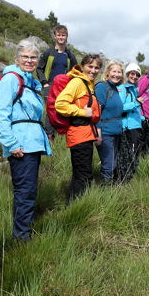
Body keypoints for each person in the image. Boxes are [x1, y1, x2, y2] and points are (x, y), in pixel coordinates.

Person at [0, 39, 51, 241]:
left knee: (28, 190)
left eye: (33, 57)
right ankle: (21, 238)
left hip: (32, 143)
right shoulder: (11, 79)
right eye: (25, 56)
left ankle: (23, 231)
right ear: (16, 58)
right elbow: (0, 113)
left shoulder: (31, 82)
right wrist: (11, 144)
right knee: (25, 191)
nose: (29, 60)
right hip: (20, 144)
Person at [54, 54, 102, 203]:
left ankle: (73, 204)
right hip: (79, 135)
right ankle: (76, 207)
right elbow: (60, 104)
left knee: (81, 174)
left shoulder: (89, 84)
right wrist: (82, 112)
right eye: (90, 66)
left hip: (86, 135)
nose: (93, 70)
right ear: (82, 67)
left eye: (97, 67)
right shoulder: (78, 82)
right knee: (84, 176)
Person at [37, 24, 78, 138]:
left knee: (64, 108)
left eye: (63, 35)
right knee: (51, 109)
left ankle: (63, 134)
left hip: (65, 86)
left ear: (67, 36)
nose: (61, 37)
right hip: (49, 85)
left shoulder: (70, 54)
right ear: (55, 36)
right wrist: (44, 82)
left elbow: (75, 70)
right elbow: (39, 68)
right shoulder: (48, 53)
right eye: (59, 35)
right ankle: (49, 135)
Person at [94, 60, 124, 182]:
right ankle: (104, 193)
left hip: (116, 133)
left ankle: (106, 190)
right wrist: (98, 132)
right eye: (114, 71)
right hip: (105, 133)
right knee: (109, 165)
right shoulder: (102, 87)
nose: (116, 74)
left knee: (112, 163)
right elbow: (97, 112)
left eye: (119, 72)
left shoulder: (116, 89)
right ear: (107, 73)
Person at [115, 63, 144, 182]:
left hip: (135, 126)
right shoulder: (122, 89)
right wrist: (136, 103)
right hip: (128, 128)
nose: (135, 76)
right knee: (128, 154)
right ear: (127, 74)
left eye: (137, 75)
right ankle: (124, 178)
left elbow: (134, 110)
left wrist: (142, 118)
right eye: (132, 74)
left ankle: (129, 177)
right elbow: (120, 108)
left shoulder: (133, 90)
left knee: (134, 153)